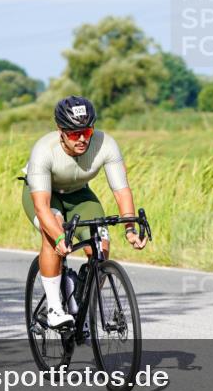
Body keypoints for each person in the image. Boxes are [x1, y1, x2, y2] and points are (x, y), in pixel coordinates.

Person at [21, 95, 147, 328]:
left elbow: (121, 191)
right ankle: (54, 309)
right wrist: (59, 237)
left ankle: (82, 304)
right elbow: (41, 206)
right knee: (52, 235)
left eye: (87, 132)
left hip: (80, 195)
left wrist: (130, 228)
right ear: (60, 130)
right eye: (73, 133)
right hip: (46, 195)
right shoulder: (43, 150)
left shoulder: (106, 144)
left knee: (100, 245)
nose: (81, 139)